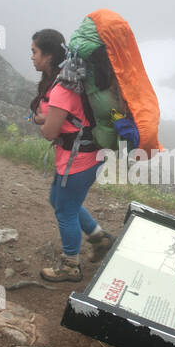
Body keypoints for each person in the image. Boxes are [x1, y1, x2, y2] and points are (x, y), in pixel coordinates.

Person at [29, 28, 112, 281]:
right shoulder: (63, 79)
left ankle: (70, 266)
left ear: (49, 55)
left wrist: (42, 121)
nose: (31, 57)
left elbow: (50, 132)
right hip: (82, 156)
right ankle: (100, 238)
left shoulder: (63, 88)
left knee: (65, 211)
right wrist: (47, 117)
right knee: (59, 201)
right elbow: (66, 119)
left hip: (79, 161)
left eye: (34, 52)